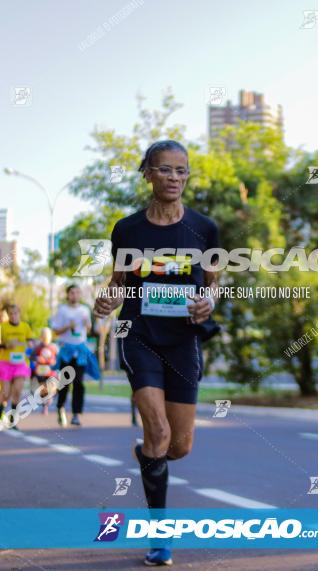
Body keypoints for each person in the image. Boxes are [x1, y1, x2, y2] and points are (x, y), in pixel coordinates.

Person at [94, 140, 219, 567]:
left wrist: (210, 302)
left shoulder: (205, 228)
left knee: (178, 447)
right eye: (164, 170)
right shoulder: (127, 229)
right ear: (147, 173)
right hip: (139, 336)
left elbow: (215, 281)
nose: (174, 178)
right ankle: (159, 536)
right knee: (160, 434)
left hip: (184, 340)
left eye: (181, 171)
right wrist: (106, 301)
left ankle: (146, 454)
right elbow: (119, 281)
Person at [50, 284, 96, 427]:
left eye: (77, 292)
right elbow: (56, 331)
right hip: (66, 350)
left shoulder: (85, 310)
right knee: (65, 382)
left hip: (81, 350)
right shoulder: (62, 310)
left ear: (80, 295)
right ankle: (60, 407)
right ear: (68, 295)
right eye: (72, 293)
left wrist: (88, 324)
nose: (75, 295)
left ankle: (76, 414)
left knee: (79, 383)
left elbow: (88, 330)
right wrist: (67, 327)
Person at [0, 303, 35, 428]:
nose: (13, 316)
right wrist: (6, 345)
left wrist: (31, 344)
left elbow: (30, 340)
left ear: (19, 314)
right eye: (11, 313)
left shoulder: (25, 327)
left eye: (16, 313)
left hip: (20, 363)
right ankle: (2, 406)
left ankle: (13, 419)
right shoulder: (2, 327)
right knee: (5, 392)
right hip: (5, 364)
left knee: (17, 390)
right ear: (8, 315)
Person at [29, 327, 59, 415]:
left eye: (47, 335)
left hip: (51, 372)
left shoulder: (54, 347)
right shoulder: (38, 347)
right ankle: (45, 405)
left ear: (50, 337)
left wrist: (53, 361)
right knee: (43, 391)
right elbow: (32, 357)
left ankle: (49, 400)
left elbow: (58, 358)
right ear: (41, 337)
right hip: (41, 372)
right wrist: (38, 359)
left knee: (52, 388)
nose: (46, 337)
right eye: (44, 335)